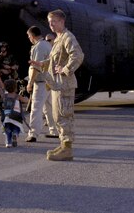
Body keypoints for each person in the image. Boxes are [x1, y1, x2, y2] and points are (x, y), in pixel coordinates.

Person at [29, 9, 84, 161]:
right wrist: (42, 63)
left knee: (64, 116)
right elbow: (55, 61)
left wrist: (65, 69)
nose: (51, 25)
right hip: (56, 84)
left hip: (64, 84)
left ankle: (67, 149)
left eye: (53, 21)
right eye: (49, 22)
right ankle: (63, 144)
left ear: (61, 21)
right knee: (57, 116)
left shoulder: (67, 37)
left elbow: (78, 55)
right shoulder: (58, 39)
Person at [25, 26, 59, 142]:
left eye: (29, 36)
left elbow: (36, 67)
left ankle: (33, 133)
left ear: (32, 36)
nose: (29, 38)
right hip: (49, 81)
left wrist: (30, 83)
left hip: (41, 82)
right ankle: (54, 130)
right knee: (49, 108)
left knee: (36, 108)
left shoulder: (39, 47)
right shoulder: (47, 45)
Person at [0, 78, 28, 148]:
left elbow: (0, 91)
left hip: (7, 115)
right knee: (16, 127)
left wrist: (1, 87)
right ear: (15, 88)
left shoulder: (5, 96)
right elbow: (25, 101)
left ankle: (8, 142)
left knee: (7, 129)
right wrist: (28, 99)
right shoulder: (17, 96)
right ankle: (15, 134)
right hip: (16, 115)